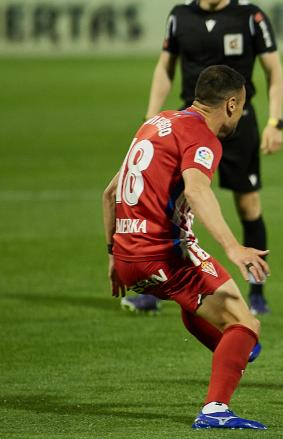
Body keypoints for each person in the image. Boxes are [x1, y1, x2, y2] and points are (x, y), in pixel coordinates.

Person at [103, 65, 269, 429]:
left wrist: (114, 255)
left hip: (128, 258)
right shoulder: (202, 137)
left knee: (231, 329)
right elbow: (196, 190)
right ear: (231, 103)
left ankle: (235, 352)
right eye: (241, 107)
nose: (240, 114)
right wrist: (234, 247)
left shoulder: (156, 123)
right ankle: (215, 410)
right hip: (163, 252)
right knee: (246, 325)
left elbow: (110, 193)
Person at [122, 0, 283, 315]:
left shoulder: (250, 16)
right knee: (166, 204)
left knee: (248, 204)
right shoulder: (180, 16)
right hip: (190, 124)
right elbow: (164, 68)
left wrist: (275, 121)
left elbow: (273, 71)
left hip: (239, 122)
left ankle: (256, 291)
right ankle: (154, 285)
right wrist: (150, 118)